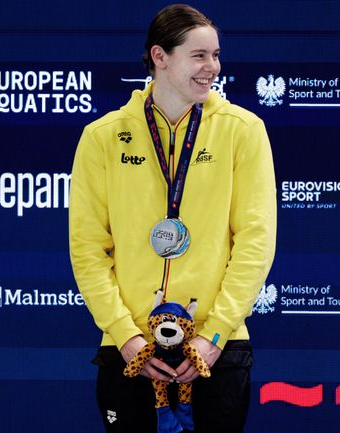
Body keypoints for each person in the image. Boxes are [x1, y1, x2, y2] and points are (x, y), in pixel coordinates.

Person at [68, 4, 277, 433]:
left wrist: (213, 336)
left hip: (218, 348)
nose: (212, 67)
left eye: (216, 55)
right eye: (199, 55)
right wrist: (126, 338)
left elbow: (256, 241)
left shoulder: (243, 130)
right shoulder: (103, 136)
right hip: (129, 350)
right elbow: (88, 248)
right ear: (160, 57)